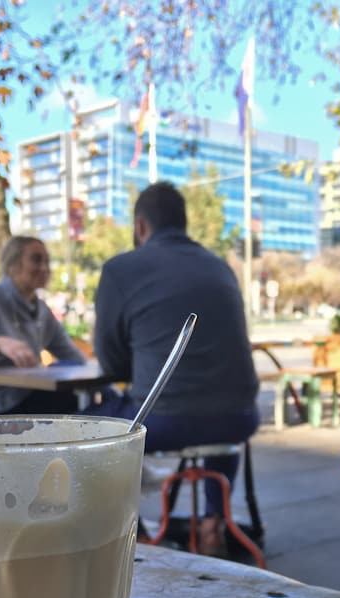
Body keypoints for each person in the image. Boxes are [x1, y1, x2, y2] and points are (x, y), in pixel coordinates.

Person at [92, 182, 260, 556]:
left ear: (140, 226)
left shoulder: (120, 270)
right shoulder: (221, 268)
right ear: (184, 223)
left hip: (165, 420)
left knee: (83, 421)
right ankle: (215, 518)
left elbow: (111, 363)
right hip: (240, 417)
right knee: (215, 409)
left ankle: (101, 533)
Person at [0, 236, 85, 416]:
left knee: (68, 403)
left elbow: (73, 356)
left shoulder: (42, 310)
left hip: (24, 400)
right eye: (36, 260)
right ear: (12, 264)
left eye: (47, 261)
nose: (44, 268)